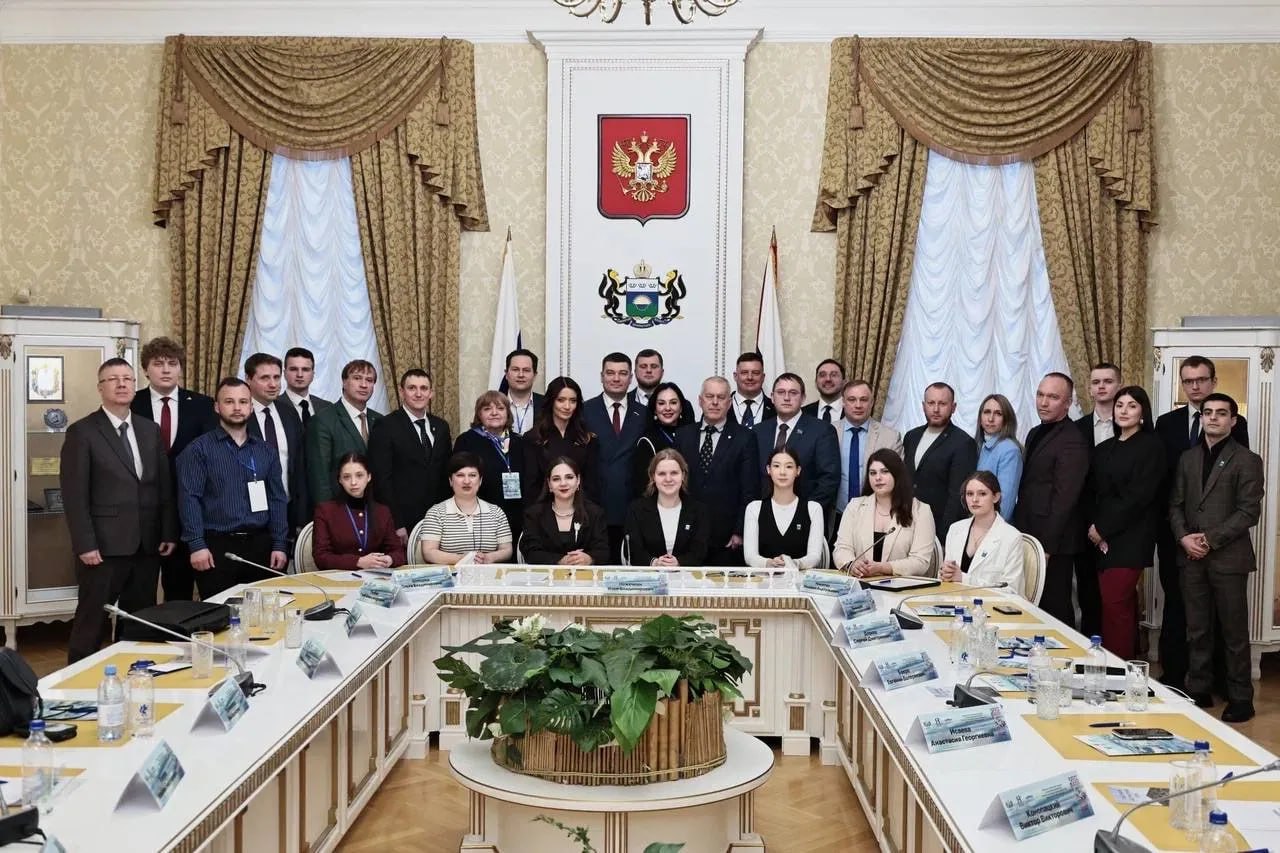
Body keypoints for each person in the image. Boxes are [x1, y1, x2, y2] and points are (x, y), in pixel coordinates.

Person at [61, 358, 176, 663]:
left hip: (146, 545)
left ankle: (132, 674)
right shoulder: (82, 432)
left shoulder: (149, 430)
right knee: (91, 621)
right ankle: (77, 681)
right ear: (100, 388)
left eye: (127, 378)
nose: (122, 384)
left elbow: (162, 486)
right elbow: (74, 495)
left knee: (139, 620)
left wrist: (167, 531)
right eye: (113, 379)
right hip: (103, 548)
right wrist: (85, 544)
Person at [1154, 355, 1251, 693]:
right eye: (1188, 381)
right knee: (1184, 614)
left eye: (1201, 380)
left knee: (1227, 622)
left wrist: (1208, 538)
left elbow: (1237, 489)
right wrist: (1183, 535)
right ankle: (1183, 680)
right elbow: (1168, 487)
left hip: (1224, 544)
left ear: (1213, 381)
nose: (1195, 386)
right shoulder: (1168, 425)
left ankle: (1227, 686)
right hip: (1178, 538)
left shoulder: (1239, 432)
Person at [1169, 392, 1263, 723]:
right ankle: (1198, 689)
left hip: (1228, 559)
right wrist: (1183, 537)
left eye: (1221, 413)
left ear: (1233, 421)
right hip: (1191, 556)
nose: (1213, 417)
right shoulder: (1188, 458)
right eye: (1208, 412)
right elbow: (1175, 504)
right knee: (1197, 629)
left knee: (1233, 632)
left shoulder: (1247, 460)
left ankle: (1241, 698)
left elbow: (1248, 512)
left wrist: (1209, 539)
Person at [176, 378, 289, 598]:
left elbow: (277, 500)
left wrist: (279, 543)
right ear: (217, 407)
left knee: (264, 613)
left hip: (261, 545)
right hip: (217, 547)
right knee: (221, 613)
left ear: (251, 407)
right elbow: (189, 499)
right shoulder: (198, 450)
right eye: (229, 401)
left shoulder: (266, 451)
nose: (237, 408)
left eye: (243, 402)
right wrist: (197, 545)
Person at [129, 335, 215, 602]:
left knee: (179, 591)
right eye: (158, 364)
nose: (166, 370)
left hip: (187, 510)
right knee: (137, 591)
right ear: (146, 369)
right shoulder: (132, 404)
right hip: (140, 511)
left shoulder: (202, 405)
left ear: (180, 368)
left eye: (172, 363)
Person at [1086, 386, 1164, 660]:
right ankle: (1125, 663)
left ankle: (1116, 667)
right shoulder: (1104, 448)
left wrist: (1103, 529)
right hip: (1100, 537)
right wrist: (1095, 528)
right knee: (1116, 606)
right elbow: (1093, 493)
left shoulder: (1151, 446)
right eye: (1120, 405)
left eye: (1131, 405)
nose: (1124, 410)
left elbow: (1139, 496)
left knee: (1115, 604)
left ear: (1143, 412)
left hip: (1132, 537)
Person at [1014, 373, 1090, 628]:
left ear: (1067, 403)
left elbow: (1065, 498)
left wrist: (1046, 546)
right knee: (1029, 604)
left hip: (1054, 542)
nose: (1044, 402)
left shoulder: (1073, 439)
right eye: (1040, 394)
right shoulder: (1035, 432)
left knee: (1054, 607)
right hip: (1029, 531)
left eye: (1053, 397)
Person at [675, 377, 759, 567]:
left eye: (721, 397)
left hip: (727, 539)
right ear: (700, 401)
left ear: (729, 403)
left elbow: (750, 490)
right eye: (709, 396)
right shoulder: (683, 435)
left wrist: (740, 531)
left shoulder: (745, 438)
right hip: (686, 535)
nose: (714, 402)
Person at [367, 369, 451, 543]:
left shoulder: (441, 427)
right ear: (401, 391)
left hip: (439, 519)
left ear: (431, 393)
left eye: (424, 388)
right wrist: (396, 523)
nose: (418, 394)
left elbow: (446, 475)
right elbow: (382, 480)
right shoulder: (385, 426)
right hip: (403, 521)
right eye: (412, 388)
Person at [1072, 362, 1122, 638]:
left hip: (1122, 527)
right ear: (1089, 389)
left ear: (1119, 385)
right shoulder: (1076, 429)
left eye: (1108, 381)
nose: (1101, 386)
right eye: (1096, 382)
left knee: (1117, 601)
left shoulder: (1131, 424)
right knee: (1088, 594)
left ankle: (1119, 655)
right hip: (1085, 525)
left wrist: (1108, 525)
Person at [581, 353, 647, 561]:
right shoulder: (584, 411)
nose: (616, 378)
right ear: (602, 376)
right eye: (610, 373)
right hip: (594, 507)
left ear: (631, 378)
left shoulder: (644, 413)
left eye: (622, 373)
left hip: (632, 507)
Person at [833, 448, 934, 577]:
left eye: (885, 472)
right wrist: (851, 564)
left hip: (901, 585)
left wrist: (883, 568)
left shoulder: (921, 511)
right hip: (859, 583)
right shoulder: (855, 506)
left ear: (897, 474)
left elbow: (920, 562)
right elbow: (841, 548)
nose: (878, 478)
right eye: (872, 473)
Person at [453, 391, 536, 545]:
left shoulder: (520, 442)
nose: (494, 413)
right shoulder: (466, 441)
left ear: (508, 413)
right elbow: (460, 481)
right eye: (487, 409)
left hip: (519, 517)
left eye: (500, 408)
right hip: (482, 518)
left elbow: (531, 480)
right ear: (479, 415)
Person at [754, 373, 841, 515]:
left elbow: (829, 479)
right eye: (781, 392)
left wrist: (806, 512)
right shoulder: (758, 431)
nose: (786, 398)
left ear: (803, 398)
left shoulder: (822, 430)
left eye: (793, 393)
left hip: (805, 515)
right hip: (763, 514)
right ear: (772, 397)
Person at [243, 353, 308, 534]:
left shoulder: (289, 413)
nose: (273, 384)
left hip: (288, 509)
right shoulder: (239, 414)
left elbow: (300, 465)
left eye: (277, 377)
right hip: (248, 513)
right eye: (265, 378)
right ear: (248, 379)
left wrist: (301, 514)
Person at [903, 382, 978, 534]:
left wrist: (945, 536)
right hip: (905, 522)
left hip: (937, 528)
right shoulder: (911, 436)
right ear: (923, 406)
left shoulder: (963, 443)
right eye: (931, 403)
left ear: (953, 407)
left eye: (942, 404)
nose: (936, 409)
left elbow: (957, 496)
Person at [306, 359, 383, 504]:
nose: (364, 385)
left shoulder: (380, 420)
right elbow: (319, 476)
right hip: (340, 506)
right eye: (357, 378)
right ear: (344, 382)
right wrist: (328, 512)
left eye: (369, 380)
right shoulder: (323, 420)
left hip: (375, 506)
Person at [312, 453, 406, 571]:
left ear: (369, 477)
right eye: (346, 477)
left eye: (359, 475)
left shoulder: (382, 512)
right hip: (339, 578)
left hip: (375, 577)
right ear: (340, 480)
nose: (353, 482)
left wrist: (389, 559)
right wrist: (358, 562)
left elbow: (398, 552)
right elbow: (321, 557)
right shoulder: (325, 511)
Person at [419, 452, 514, 565]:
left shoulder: (496, 512)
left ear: (480, 480)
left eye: (472, 475)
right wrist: (463, 559)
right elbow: (429, 552)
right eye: (460, 475)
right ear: (450, 480)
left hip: (487, 574)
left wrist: (489, 557)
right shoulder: (436, 513)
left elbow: (507, 550)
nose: (467, 481)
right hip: (451, 575)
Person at [835, 379, 903, 535]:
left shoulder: (890, 437)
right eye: (852, 399)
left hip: (876, 518)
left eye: (864, 399)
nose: (858, 405)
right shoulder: (829, 432)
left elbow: (898, 480)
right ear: (843, 402)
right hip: (835, 516)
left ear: (872, 402)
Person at [941, 471, 1025, 593]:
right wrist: (945, 574)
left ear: (996, 497)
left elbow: (1012, 590)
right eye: (969, 494)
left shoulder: (1012, 537)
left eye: (982, 494)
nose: (974, 499)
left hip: (991, 604)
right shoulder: (955, 529)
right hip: (952, 600)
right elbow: (946, 578)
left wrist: (964, 579)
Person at [624, 449, 710, 567]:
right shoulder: (636, 510)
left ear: (683, 475)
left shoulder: (699, 511)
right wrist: (654, 563)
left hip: (686, 576)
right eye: (662, 474)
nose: (668, 479)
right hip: (648, 575)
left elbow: (699, 551)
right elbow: (633, 550)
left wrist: (679, 562)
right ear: (653, 476)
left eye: (674, 473)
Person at [743, 448, 826, 569]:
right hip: (764, 578)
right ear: (768, 469)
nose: (782, 472)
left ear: (798, 471)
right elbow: (750, 556)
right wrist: (768, 563)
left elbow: (814, 557)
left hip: (800, 578)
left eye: (789, 467)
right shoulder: (754, 508)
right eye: (776, 466)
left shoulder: (813, 508)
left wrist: (795, 563)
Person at [519, 457, 610, 565]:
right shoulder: (533, 515)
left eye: (569, 477)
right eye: (556, 479)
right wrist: (560, 560)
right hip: (546, 574)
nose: (563, 483)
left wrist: (589, 558)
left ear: (578, 481)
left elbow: (603, 551)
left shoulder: (595, 513)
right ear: (549, 484)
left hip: (584, 574)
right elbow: (530, 552)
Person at [527, 376, 601, 503]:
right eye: (561, 400)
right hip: (543, 509)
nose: (567, 406)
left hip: (581, 509)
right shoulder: (534, 438)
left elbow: (592, 486)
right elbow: (531, 486)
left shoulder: (588, 439)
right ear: (551, 401)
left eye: (573, 401)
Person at [632, 381, 694, 497]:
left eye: (673, 402)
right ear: (655, 409)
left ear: (681, 407)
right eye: (661, 403)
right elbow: (643, 488)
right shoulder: (646, 441)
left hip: (690, 503)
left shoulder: (693, 435)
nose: (667, 408)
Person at [974, 393, 1023, 522]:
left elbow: (1005, 502)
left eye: (998, 414)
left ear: (1007, 419)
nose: (991, 418)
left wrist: (990, 529)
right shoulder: (979, 445)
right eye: (987, 412)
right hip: (977, 523)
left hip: (994, 527)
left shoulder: (1009, 450)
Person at [630, 349, 695, 421]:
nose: (649, 370)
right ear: (635, 372)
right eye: (643, 366)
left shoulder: (684, 405)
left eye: (654, 366)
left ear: (662, 372)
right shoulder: (623, 403)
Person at [280, 347, 332, 427]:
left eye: (305, 369)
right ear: (284, 373)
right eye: (294, 369)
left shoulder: (327, 407)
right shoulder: (273, 406)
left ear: (313, 374)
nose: (299, 375)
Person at [728, 351, 774, 427]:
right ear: (735, 376)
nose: (750, 377)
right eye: (744, 372)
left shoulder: (775, 408)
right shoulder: (721, 406)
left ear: (763, 377)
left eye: (755, 373)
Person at [503, 348, 542, 436]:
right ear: (506, 374)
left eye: (526, 370)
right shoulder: (493, 405)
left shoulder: (547, 405)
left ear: (535, 375)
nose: (521, 375)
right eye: (515, 369)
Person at [801, 359, 845, 426]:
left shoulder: (855, 412)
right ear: (816, 383)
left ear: (844, 382)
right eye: (822, 375)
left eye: (834, 375)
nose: (828, 379)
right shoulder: (802, 413)